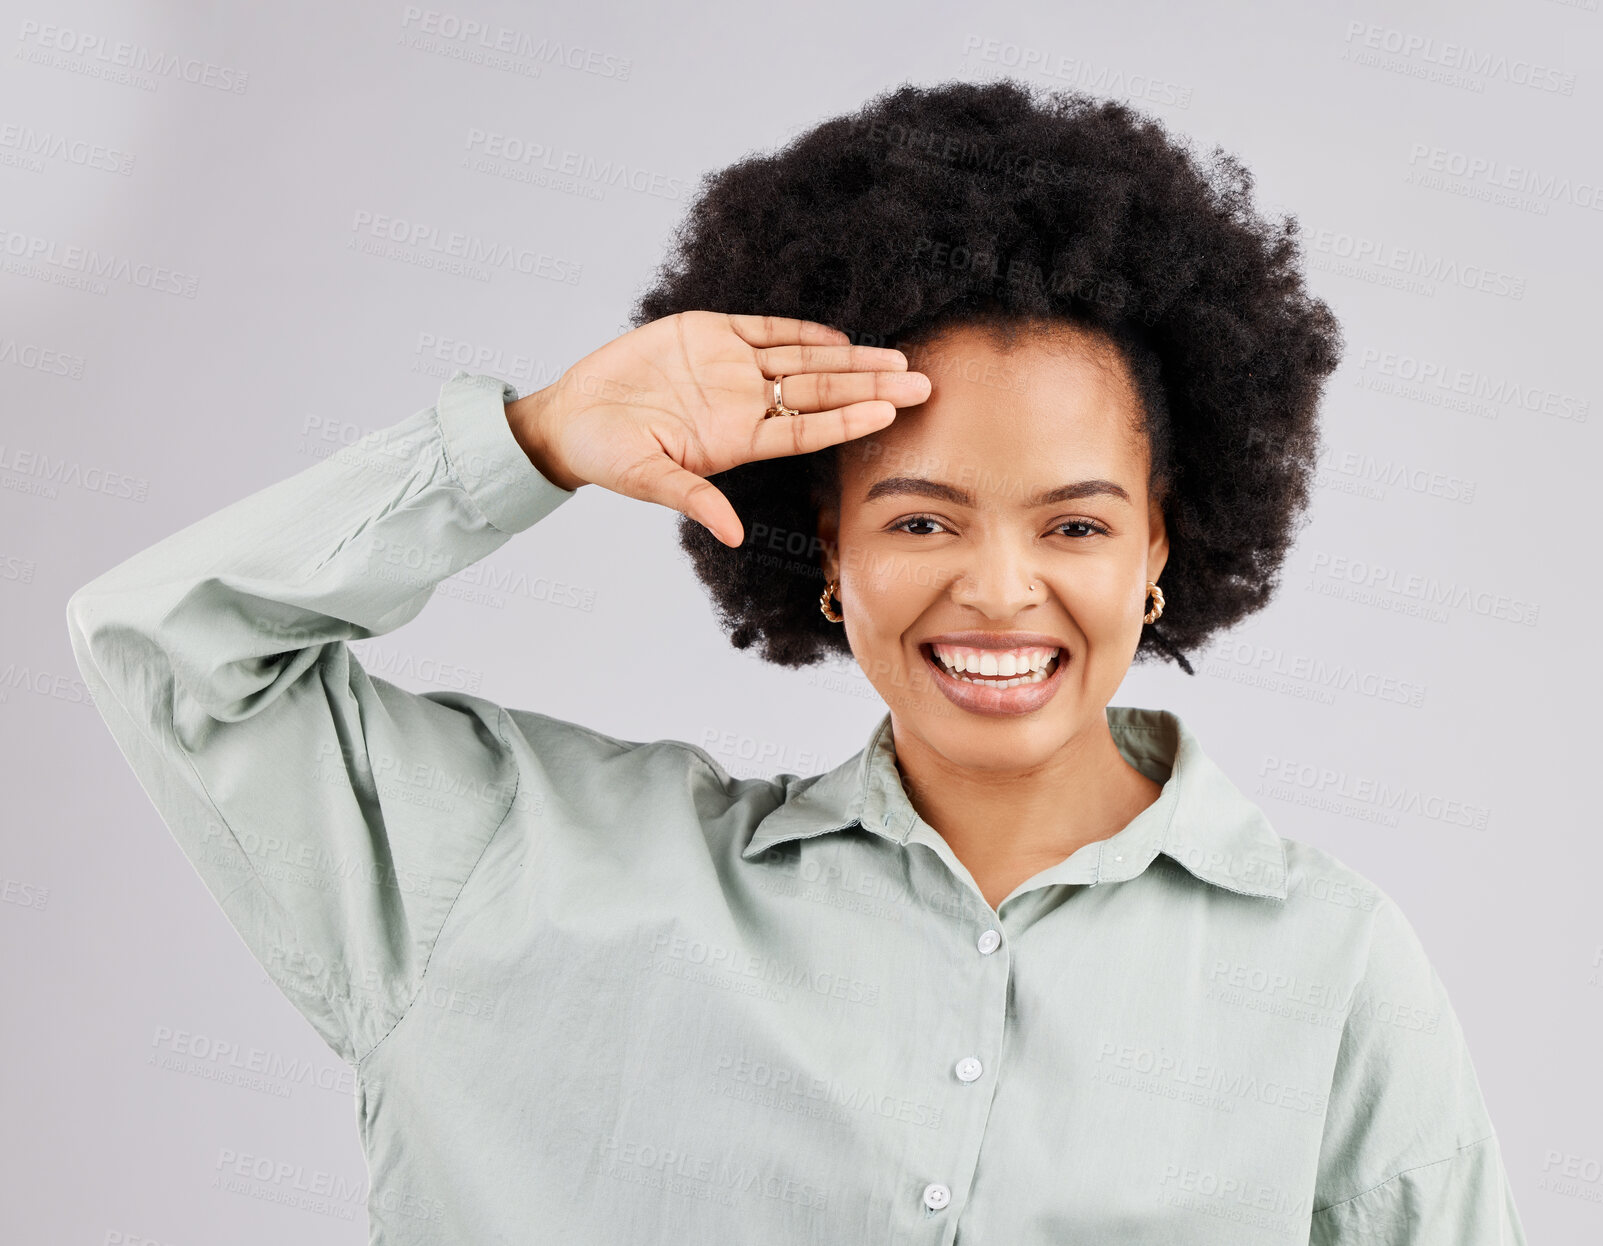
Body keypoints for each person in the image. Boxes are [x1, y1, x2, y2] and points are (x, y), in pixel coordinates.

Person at [66, 80, 1527, 1243]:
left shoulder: (1329, 970)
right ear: (824, 553)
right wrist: (531, 442)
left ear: (1164, 547)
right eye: (920, 515)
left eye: (1074, 522)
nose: (1001, 588)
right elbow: (175, 646)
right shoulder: (514, 875)